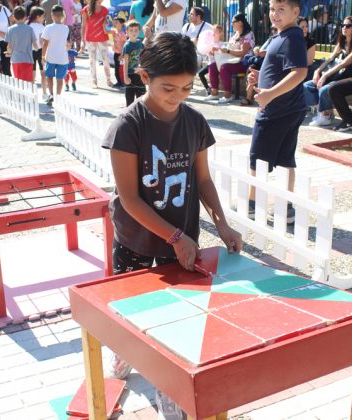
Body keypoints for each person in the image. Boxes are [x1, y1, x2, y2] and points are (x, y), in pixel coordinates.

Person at [101, 32, 242, 418]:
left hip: (181, 242)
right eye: (168, 88)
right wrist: (175, 235)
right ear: (143, 76)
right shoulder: (128, 126)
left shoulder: (195, 121)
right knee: (132, 317)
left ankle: (169, 392)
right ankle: (122, 358)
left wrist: (222, 226)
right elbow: (129, 198)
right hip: (137, 242)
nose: (177, 96)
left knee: (172, 323)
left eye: (186, 88)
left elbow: (204, 181)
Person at [247, 0, 308, 223]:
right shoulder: (280, 36)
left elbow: (300, 72)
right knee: (285, 158)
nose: (275, 14)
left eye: (281, 10)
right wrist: (258, 76)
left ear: (295, 12)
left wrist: (270, 94)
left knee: (258, 158)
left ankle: (252, 205)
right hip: (287, 108)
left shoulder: (292, 37)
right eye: (272, 9)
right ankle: (286, 208)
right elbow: (279, 69)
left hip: (277, 110)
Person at [304, 16, 352, 127]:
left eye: (348, 26)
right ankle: (325, 112)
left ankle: (325, 115)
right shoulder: (341, 43)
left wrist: (325, 76)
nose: (344, 28)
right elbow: (330, 59)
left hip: (346, 78)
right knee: (307, 86)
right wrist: (318, 71)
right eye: (342, 25)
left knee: (325, 89)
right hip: (334, 75)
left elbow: (343, 64)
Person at [203, 13, 254, 104]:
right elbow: (228, 48)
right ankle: (214, 93)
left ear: (240, 22)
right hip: (232, 60)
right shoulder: (235, 35)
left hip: (243, 62)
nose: (232, 24)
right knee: (213, 66)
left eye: (233, 22)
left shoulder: (248, 34)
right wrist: (218, 49)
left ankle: (228, 95)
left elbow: (243, 52)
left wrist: (227, 51)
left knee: (224, 68)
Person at [240, 26, 278, 106]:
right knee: (252, 70)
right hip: (261, 62)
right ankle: (249, 97)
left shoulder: (281, 40)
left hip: (270, 64)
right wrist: (257, 50)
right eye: (273, 29)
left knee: (253, 71)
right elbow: (260, 49)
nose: (274, 31)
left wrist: (266, 53)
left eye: (275, 30)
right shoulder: (271, 39)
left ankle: (249, 97)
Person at [80, 0, 113, 89]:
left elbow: (106, 23)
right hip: (90, 38)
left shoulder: (105, 9)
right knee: (92, 60)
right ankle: (94, 81)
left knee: (106, 59)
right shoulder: (85, 10)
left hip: (102, 37)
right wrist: (82, 41)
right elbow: (83, 26)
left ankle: (108, 79)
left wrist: (106, 23)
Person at [41, 4, 70, 105]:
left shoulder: (48, 28)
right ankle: (58, 96)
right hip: (63, 58)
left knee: (49, 76)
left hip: (51, 57)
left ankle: (51, 95)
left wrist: (42, 56)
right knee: (60, 79)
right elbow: (67, 43)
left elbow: (45, 44)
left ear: (52, 15)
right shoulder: (66, 28)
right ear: (62, 15)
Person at [5, 6, 37, 82]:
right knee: (28, 83)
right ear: (25, 17)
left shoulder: (10, 29)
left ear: (14, 17)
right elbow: (35, 45)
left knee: (18, 82)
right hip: (27, 59)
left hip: (15, 59)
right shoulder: (29, 29)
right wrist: (36, 49)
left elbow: (9, 46)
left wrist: (8, 53)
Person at [122, 19, 144, 105]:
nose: (133, 32)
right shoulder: (127, 46)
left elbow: (143, 59)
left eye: (136, 30)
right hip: (130, 75)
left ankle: (141, 116)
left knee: (142, 98)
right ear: (127, 32)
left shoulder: (140, 44)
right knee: (130, 99)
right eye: (131, 30)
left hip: (140, 75)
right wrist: (125, 77)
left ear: (139, 31)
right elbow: (126, 62)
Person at [197, 23, 223, 96]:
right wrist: (208, 52)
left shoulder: (222, 44)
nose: (213, 33)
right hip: (210, 63)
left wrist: (215, 52)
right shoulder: (210, 43)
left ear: (220, 33)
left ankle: (214, 91)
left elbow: (222, 54)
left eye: (215, 32)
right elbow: (206, 52)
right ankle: (207, 89)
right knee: (200, 73)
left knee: (213, 76)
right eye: (212, 31)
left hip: (217, 64)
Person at [28, 6, 46, 97]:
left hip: (30, 51)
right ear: (38, 16)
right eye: (43, 16)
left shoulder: (28, 25)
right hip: (40, 51)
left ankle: (32, 93)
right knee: (43, 73)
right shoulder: (41, 27)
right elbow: (42, 41)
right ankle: (44, 93)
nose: (44, 18)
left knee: (32, 73)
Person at [297, 15, 316, 80]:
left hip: (306, 72)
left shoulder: (310, 41)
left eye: (306, 26)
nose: (305, 29)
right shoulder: (291, 40)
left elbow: (309, 63)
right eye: (302, 27)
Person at [111, 17, 126, 88]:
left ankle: (121, 82)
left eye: (116, 22)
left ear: (121, 24)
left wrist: (122, 54)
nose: (115, 23)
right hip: (116, 53)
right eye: (114, 22)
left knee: (120, 68)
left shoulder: (122, 34)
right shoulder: (115, 31)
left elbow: (124, 44)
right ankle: (119, 81)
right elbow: (106, 31)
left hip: (120, 54)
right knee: (116, 68)